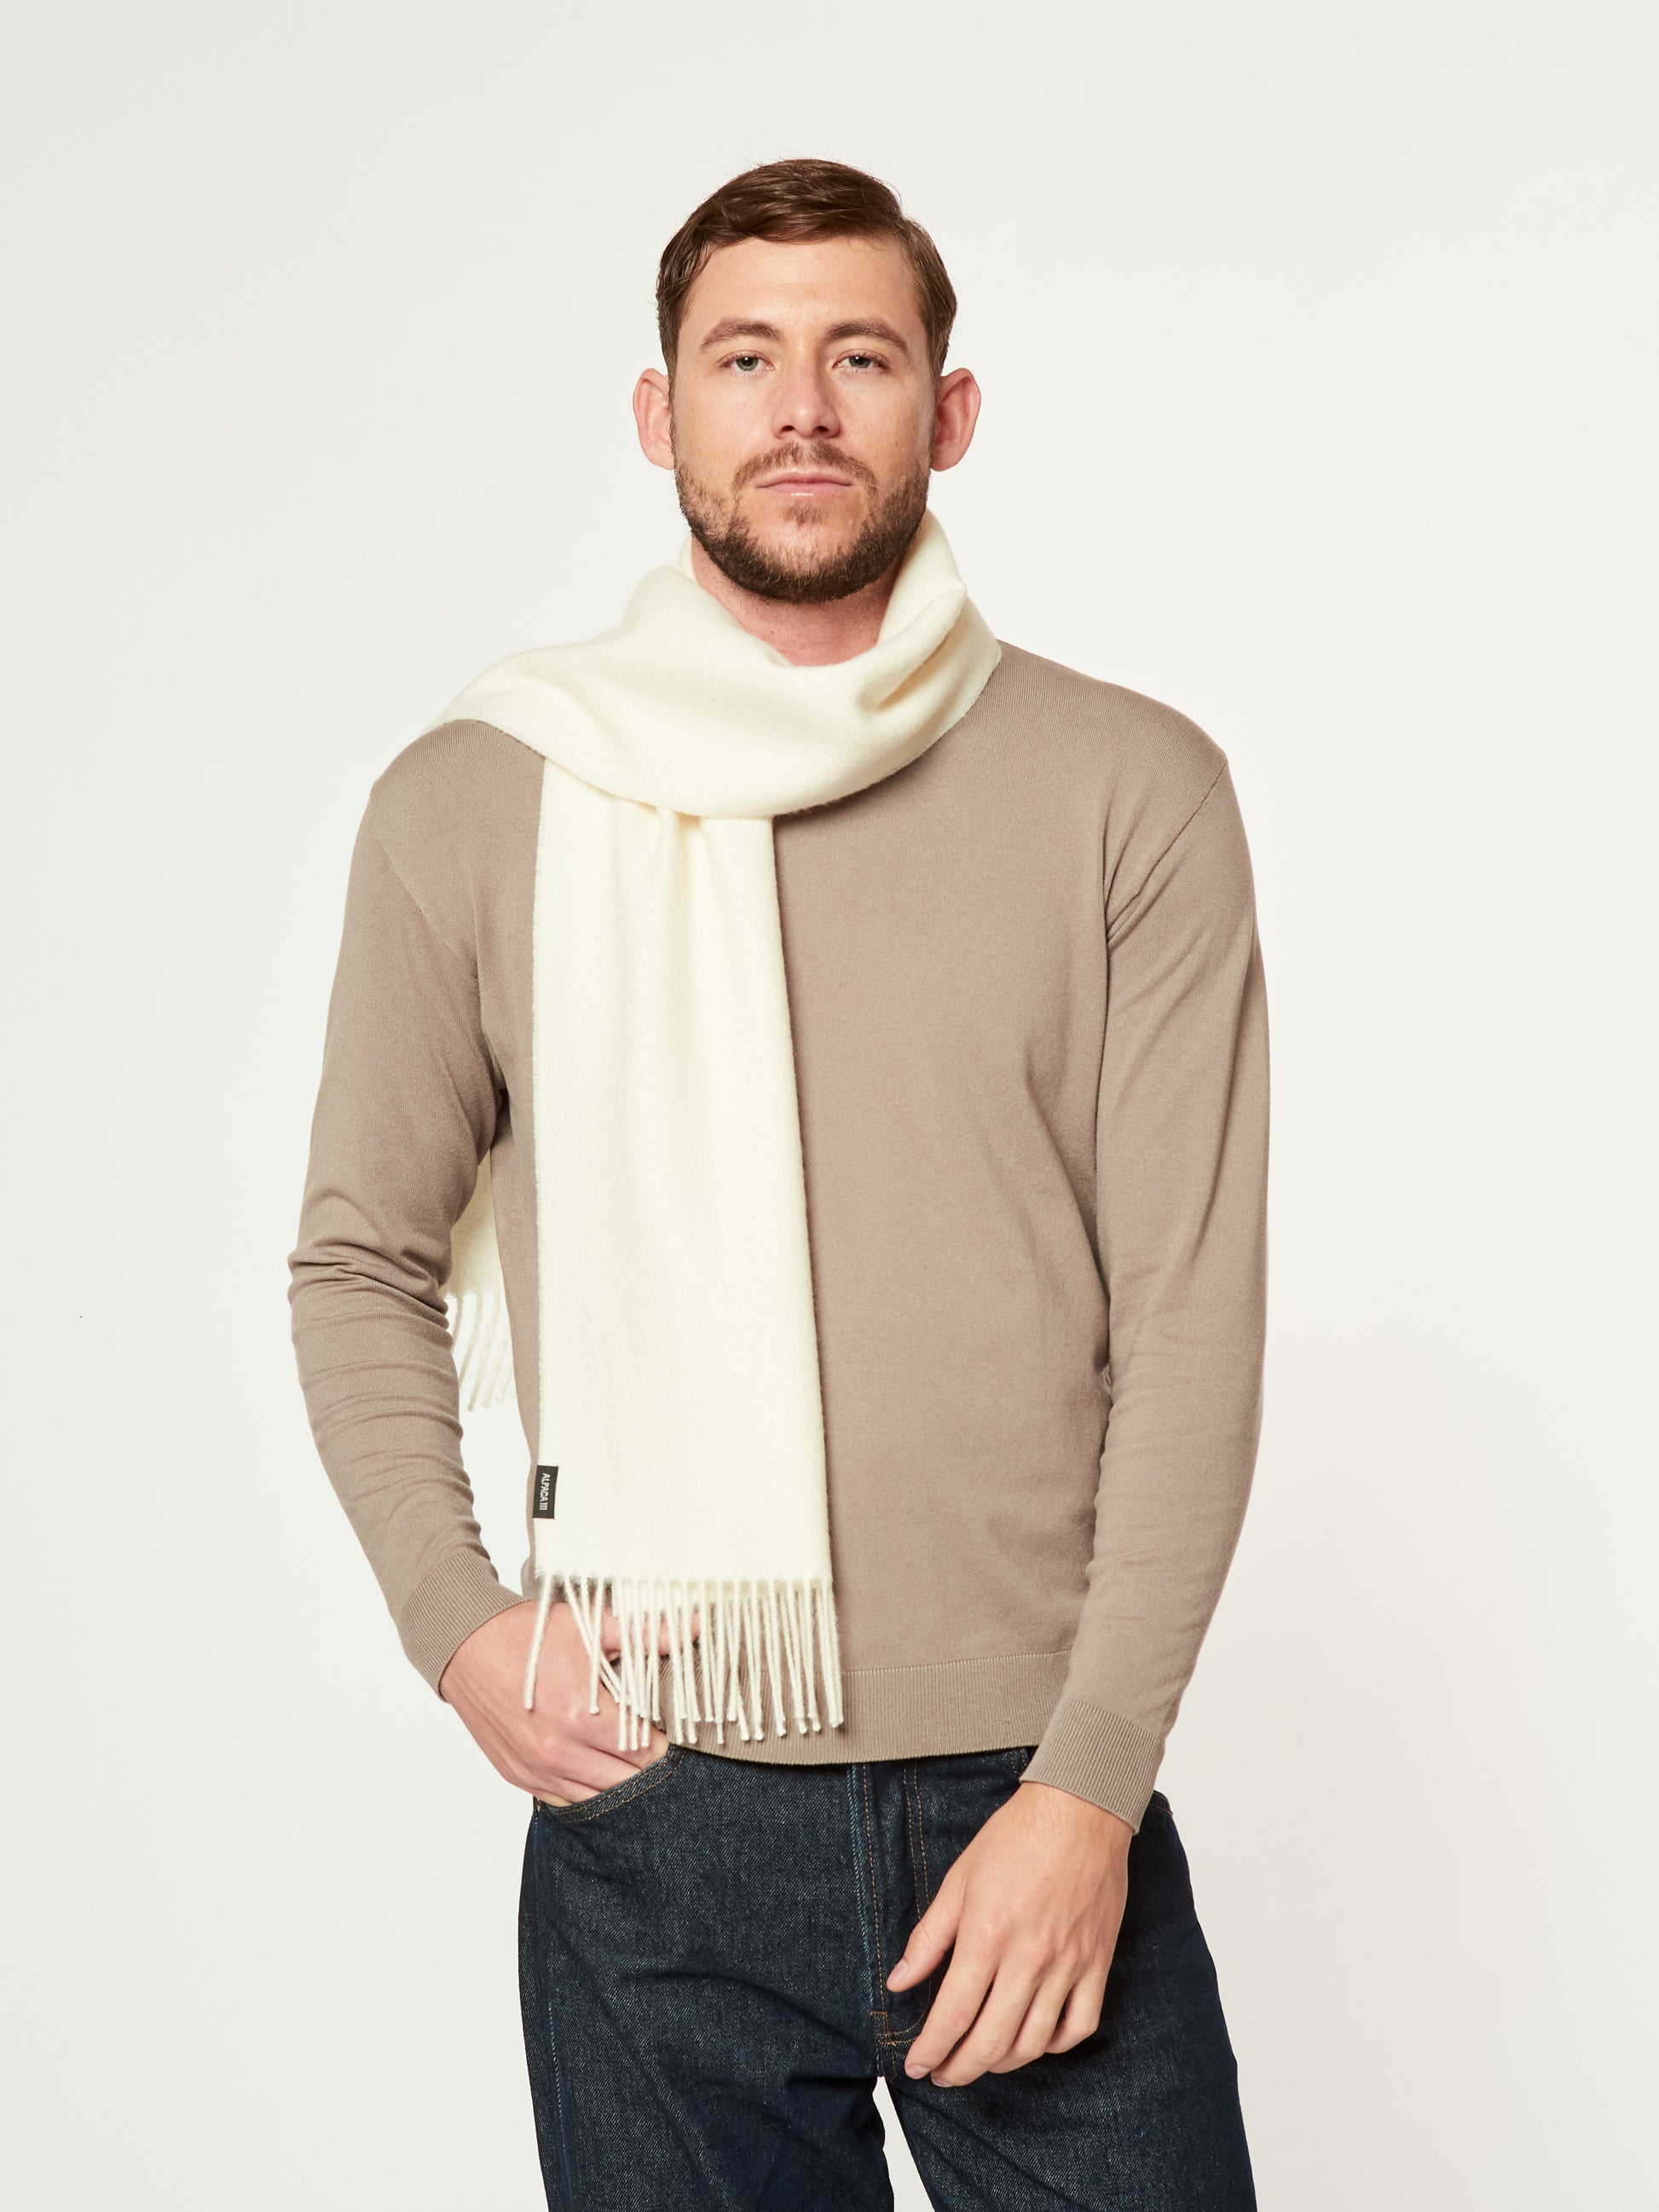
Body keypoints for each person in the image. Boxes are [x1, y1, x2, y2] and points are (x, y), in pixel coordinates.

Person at [289, 155, 1269, 2211]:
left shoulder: (1129, 789)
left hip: (1027, 1789)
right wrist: (456, 1622)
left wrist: (1092, 1785)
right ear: (661, 412)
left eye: (860, 358)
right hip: (660, 1807)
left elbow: (1188, 1312)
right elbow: (359, 1253)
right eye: (745, 360)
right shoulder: (479, 797)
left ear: (949, 410)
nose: (801, 408)